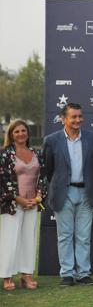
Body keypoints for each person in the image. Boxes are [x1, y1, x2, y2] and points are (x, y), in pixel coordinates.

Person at [42, 103, 93, 286]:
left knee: (84, 236)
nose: (78, 120)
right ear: (63, 119)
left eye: (80, 116)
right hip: (63, 193)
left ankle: (83, 274)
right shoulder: (51, 140)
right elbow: (48, 169)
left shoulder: (92, 138)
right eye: (73, 117)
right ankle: (67, 274)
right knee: (65, 235)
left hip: (86, 192)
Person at [0, 120, 47, 290]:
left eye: (23, 130)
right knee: (10, 240)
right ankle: (7, 277)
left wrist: (39, 196)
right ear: (11, 134)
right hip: (12, 205)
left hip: (33, 204)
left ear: (28, 133)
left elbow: (43, 176)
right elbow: (3, 180)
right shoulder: (5, 154)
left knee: (29, 239)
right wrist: (18, 198)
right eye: (17, 131)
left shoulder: (36, 153)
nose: (21, 134)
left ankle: (26, 276)